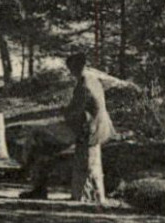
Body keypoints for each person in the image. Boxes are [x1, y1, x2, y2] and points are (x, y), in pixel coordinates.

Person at [19, 51, 113, 200]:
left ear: (77, 66)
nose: (71, 71)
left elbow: (73, 112)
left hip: (87, 131)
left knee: (37, 140)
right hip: (99, 128)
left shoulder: (84, 85)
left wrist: (62, 112)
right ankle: (36, 179)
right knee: (44, 144)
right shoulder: (93, 80)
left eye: (72, 68)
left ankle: (36, 184)